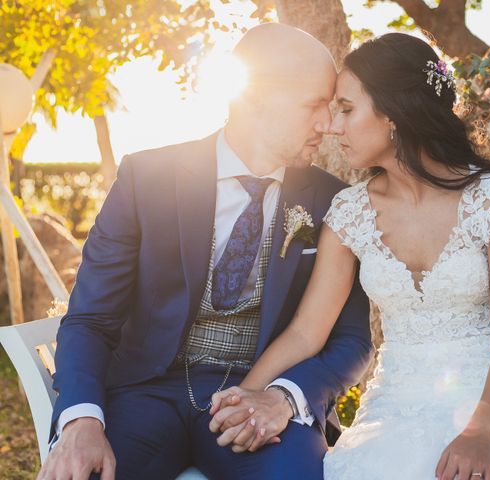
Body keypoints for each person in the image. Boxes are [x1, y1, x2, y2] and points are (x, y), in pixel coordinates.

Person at [210, 33, 490, 479]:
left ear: (393, 114)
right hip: (393, 408)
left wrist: (481, 433)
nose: (332, 125)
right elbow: (308, 331)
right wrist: (244, 395)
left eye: (346, 109)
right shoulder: (350, 213)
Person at [38, 23, 372, 480]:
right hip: (145, 396)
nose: (329, 125)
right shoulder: (147, 178)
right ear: (255, 98)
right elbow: (91, 318)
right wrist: (79, 421)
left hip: (261, 404)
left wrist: (283, 396)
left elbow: (350, 340)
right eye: (315, 104)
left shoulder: (336, 202)